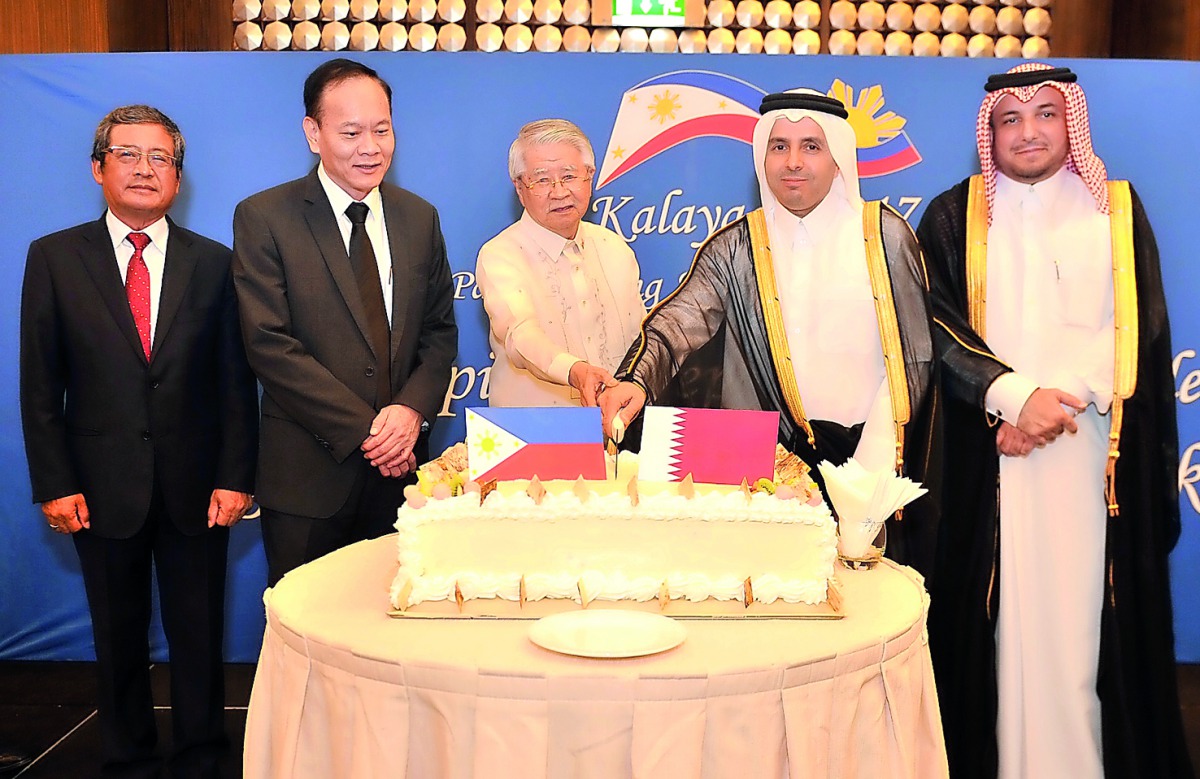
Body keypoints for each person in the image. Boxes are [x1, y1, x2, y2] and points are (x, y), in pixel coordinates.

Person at [917, 63, 1192, 779]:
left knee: (1077, 630)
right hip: (989, 458)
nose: (1029, 131)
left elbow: (1139, 326)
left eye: (1045, 113)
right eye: (1010, 118)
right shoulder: (954, 215)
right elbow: (934, 327)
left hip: (1087, 454)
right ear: (991, 132)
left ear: (1071, 122)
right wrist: (1010, 396)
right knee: (998, 625)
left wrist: (1053, 401)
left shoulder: (1117, 211)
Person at [599, 89, 938, 572]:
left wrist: (867, 476)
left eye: (811, 146)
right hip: (772, 467)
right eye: (779, 147)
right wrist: (635, 380)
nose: (793, 162)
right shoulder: (737, 247)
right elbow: (677, 325)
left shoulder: (883, 235)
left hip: (870, 459)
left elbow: (912, 358)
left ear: (838, 157)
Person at [20, 105, 258, 778]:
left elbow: (236, 382)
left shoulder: (216, 263)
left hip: (198, 486)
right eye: (128, 154)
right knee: (117, 636)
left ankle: (202, 756)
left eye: (161, 158)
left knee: (198, 635)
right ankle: (126, 757)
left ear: (178, 179)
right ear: (98, 168)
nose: (145, 169)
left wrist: (237, 474)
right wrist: (55, 481)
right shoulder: (55, 258)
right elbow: (41, 385)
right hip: (98, 486)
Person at [233, 58, 457, 586]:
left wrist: (408, 412)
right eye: (351, 132)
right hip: (308, 478)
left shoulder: (418, 217)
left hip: (401, 472)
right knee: (306, 630)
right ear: (313, 133)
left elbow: (439, 332)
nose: (370, 147)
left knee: (390, 627)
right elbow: (269, 344)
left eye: (382, 130)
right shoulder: (265, 217)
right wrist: (366, 430)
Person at [476, 119, 645, 407]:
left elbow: (640, 337)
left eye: (569, 176)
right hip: (533, 435)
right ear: (519, 187)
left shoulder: (614, 248)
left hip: (618, 430)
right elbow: (521, 335)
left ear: (589, 176)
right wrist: (576, 371)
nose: (559, 192)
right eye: (542, 180)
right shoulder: (501, 254)